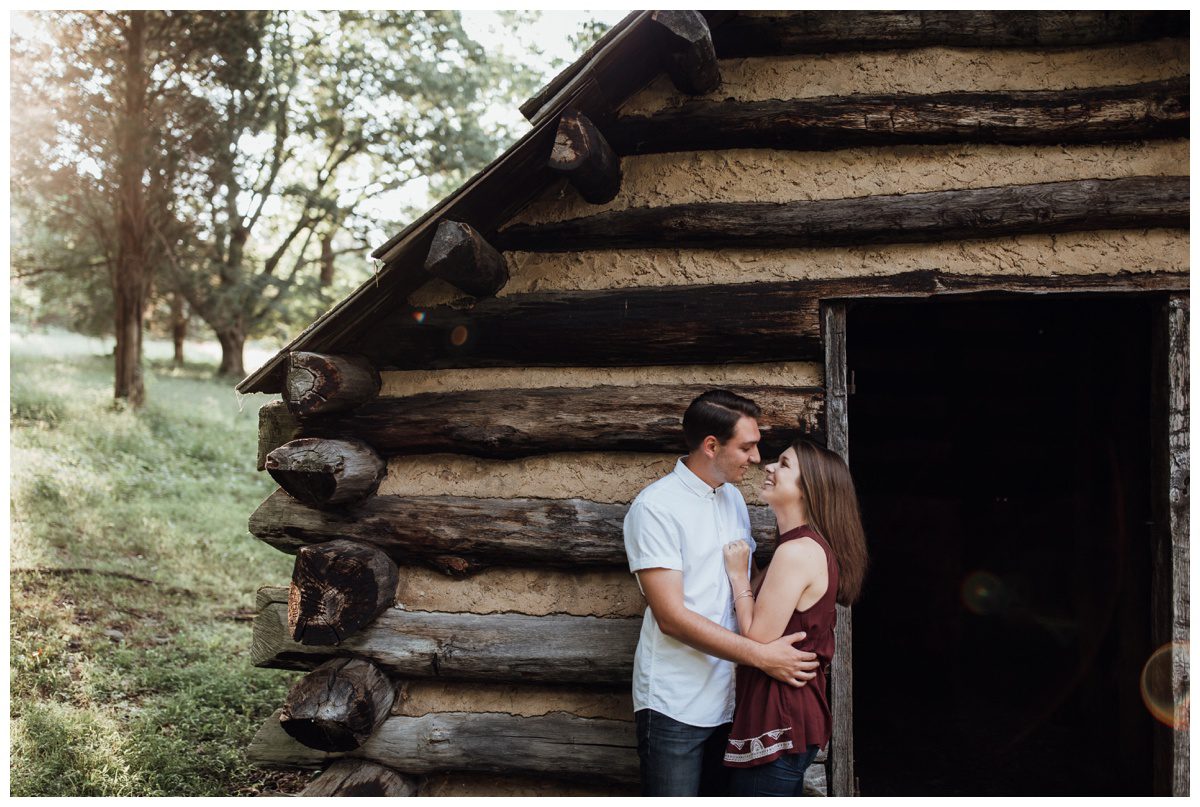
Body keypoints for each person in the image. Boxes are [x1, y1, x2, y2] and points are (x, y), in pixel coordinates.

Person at [623, 390, 821, 797]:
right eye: (746, 446)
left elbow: (745, 584)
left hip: (733, 701)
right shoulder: (655, 508)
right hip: (675, 704)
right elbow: (671, 617)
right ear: (711, 446)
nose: (755, 457)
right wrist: (764, 657)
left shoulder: (732, 498)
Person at [719, 438, 869, 796]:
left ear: (808, 489)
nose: (769, 467)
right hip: (786, 713)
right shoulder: (798, 546)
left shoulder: (799, 551)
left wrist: (739, 576)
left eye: (784, 465)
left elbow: (756, 637)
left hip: (779, 715)